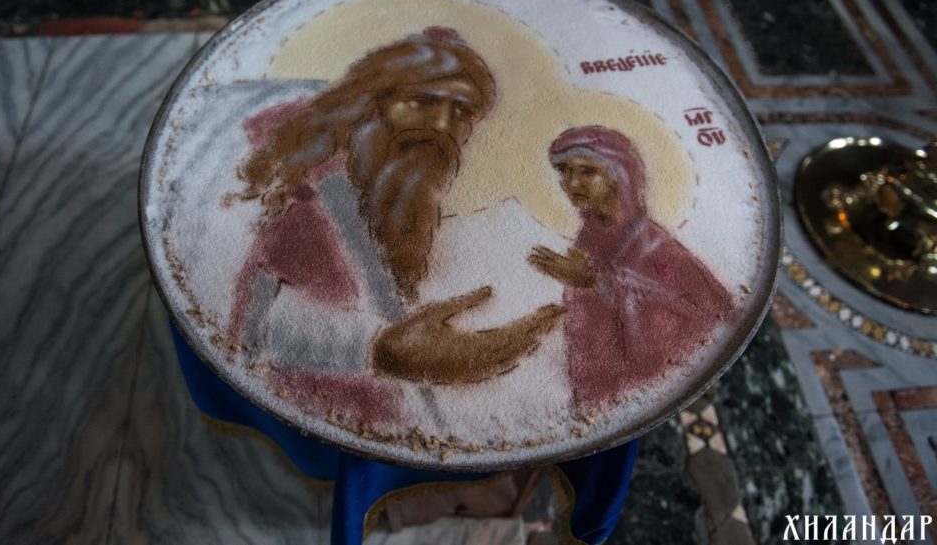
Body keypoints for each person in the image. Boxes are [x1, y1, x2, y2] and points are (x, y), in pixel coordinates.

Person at [223, 28, 563, 424]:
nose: (442, 124)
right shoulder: (301, 193)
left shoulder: (395, 196)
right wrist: (379, 349)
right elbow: (252, 325)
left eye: (462, 112)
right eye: (422, 101)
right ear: (369, 103)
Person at [529, 126, 734, 411]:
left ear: (619, 176)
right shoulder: (589, 240)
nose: (571, 182)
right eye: (564, 171)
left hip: (655, 393)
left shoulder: (653, 246)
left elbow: (706, 319)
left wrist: (595, 284)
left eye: (588, 171)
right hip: (602, 396)